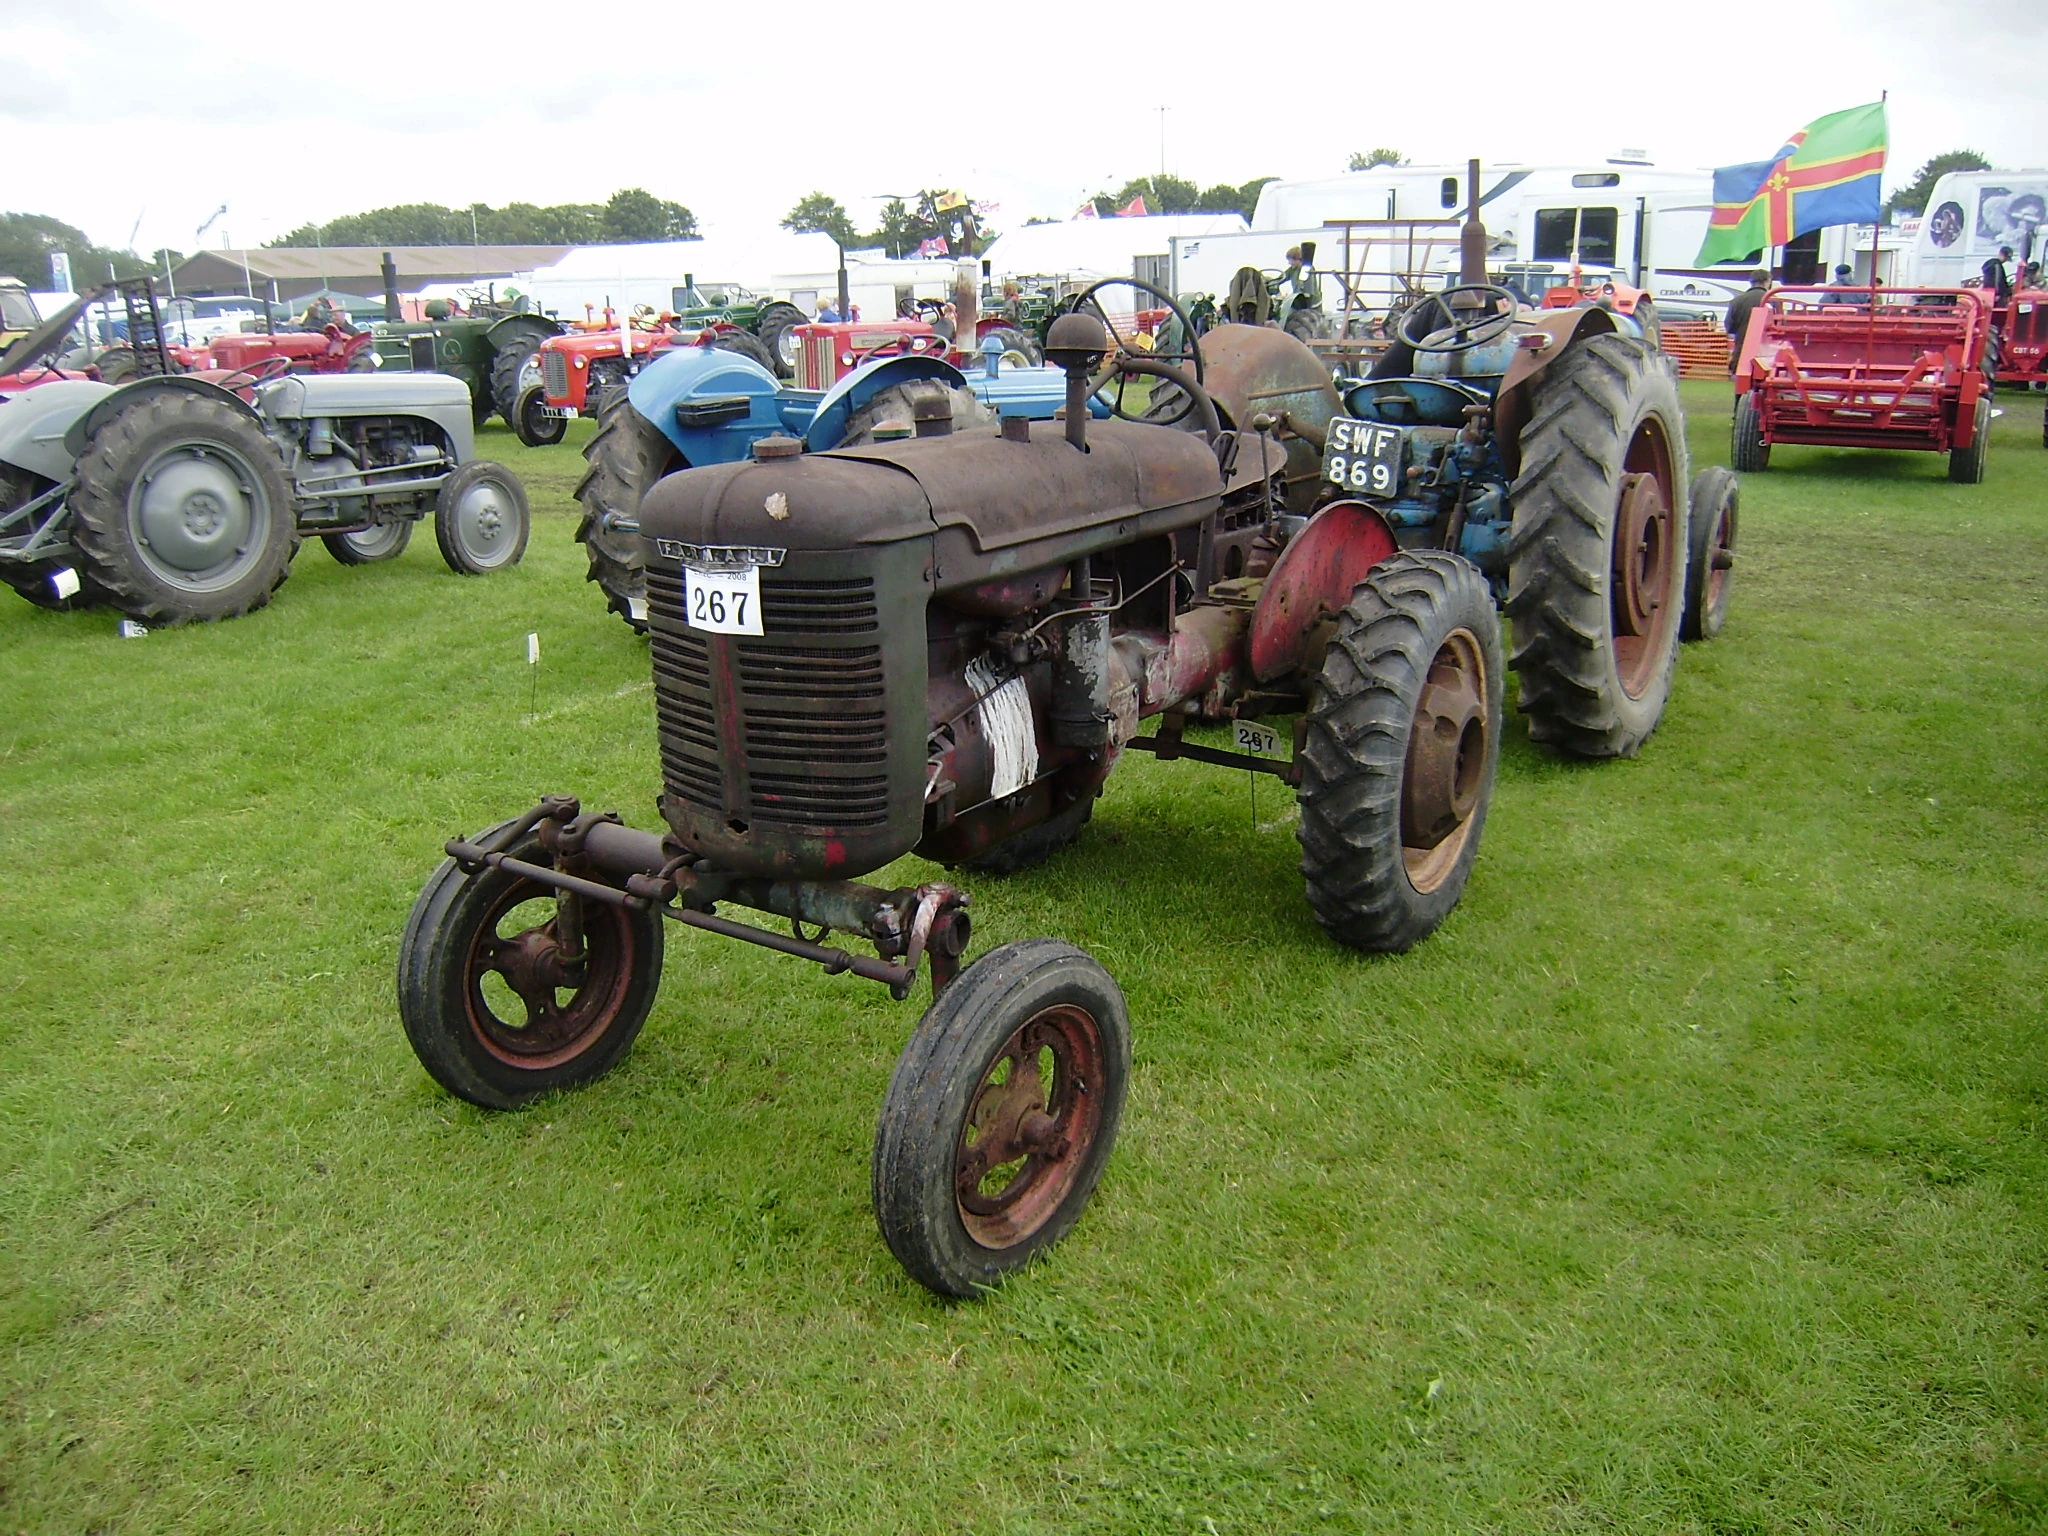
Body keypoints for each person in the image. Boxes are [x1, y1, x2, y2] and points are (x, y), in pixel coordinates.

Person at [1724, 270, 1769, 374]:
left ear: (1751, 282)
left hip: (1741, 352)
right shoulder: (1773, 300)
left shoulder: (1737, 301)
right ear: (1767, 281)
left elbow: (1729, 327)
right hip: (1765, 355)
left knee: (1741, 385)